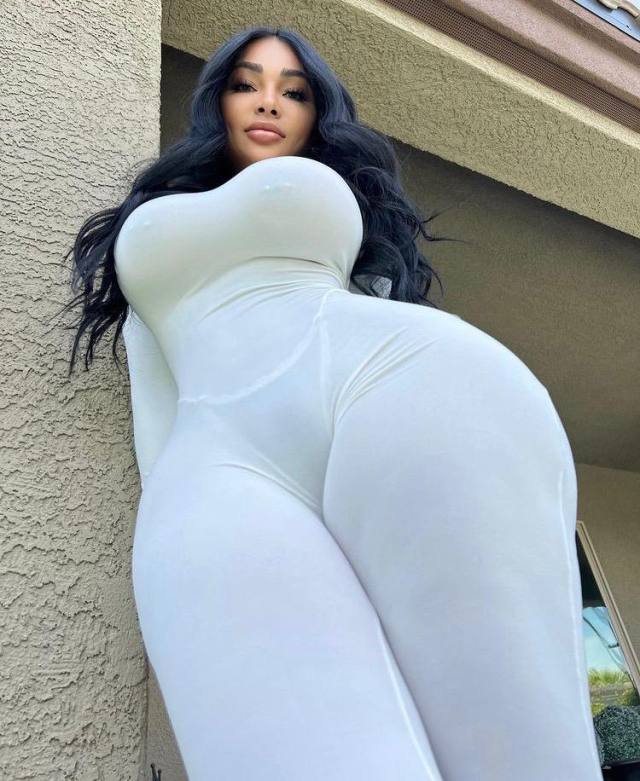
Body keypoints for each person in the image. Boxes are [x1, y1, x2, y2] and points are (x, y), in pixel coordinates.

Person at [64, 25, 604, 781]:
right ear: (217, 100)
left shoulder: (329, 191)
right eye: (246, 84)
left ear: (318, 114)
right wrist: (165, 504)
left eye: (294, 92)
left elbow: (370, 295)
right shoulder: (159, 211)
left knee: (519, 753)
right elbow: (151, 382)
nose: (268, 103)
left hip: (396, 391)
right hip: (213, 466)